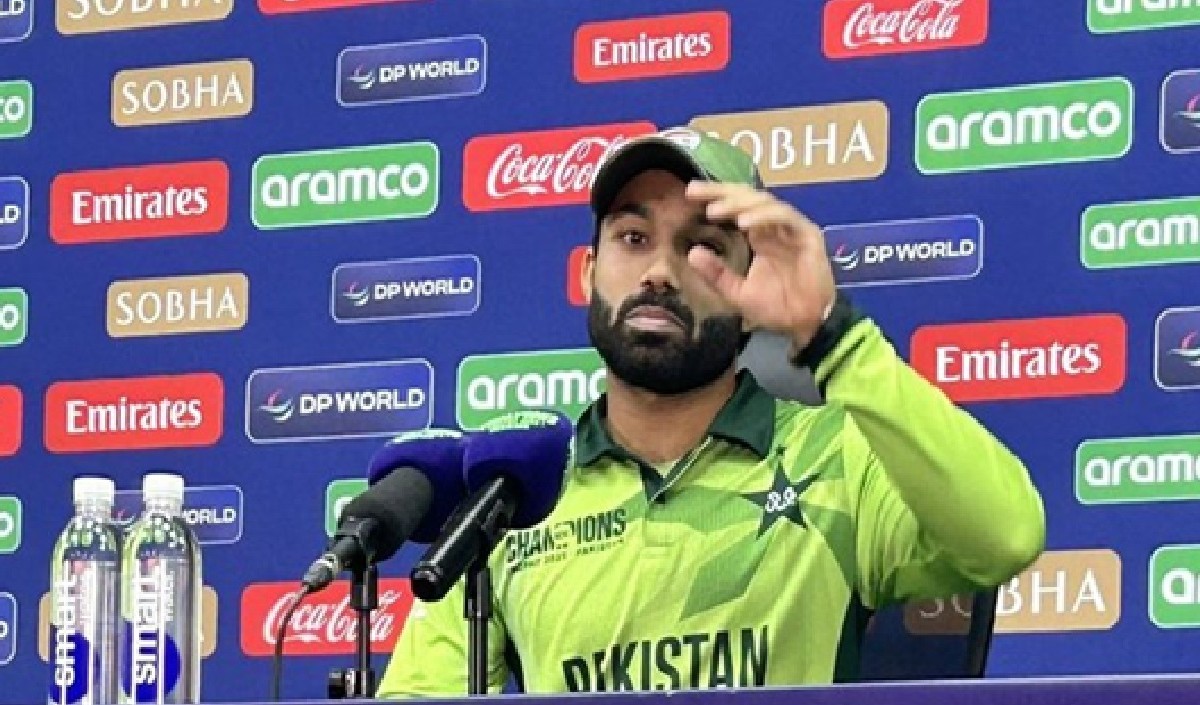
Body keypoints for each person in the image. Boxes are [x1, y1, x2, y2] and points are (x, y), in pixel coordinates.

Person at [376, 127, 1046, 697]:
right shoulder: (515, 492)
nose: (660, 272)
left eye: (703, 247)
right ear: (587, 273)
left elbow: (1007, 535)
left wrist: (831, 335)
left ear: (751, 287)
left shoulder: (837, 454)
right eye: (633, 237)